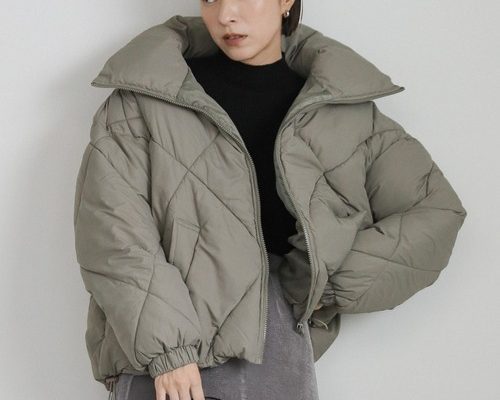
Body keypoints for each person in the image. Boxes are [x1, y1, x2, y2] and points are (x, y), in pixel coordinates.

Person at [73, 1, 467, 400]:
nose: (226, 14)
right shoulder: (147, 97)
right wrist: (168, 350)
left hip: (278, 354)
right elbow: (111, 230)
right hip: (169, 364)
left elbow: (436, 211)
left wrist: (323, 283)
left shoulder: (344, 108)